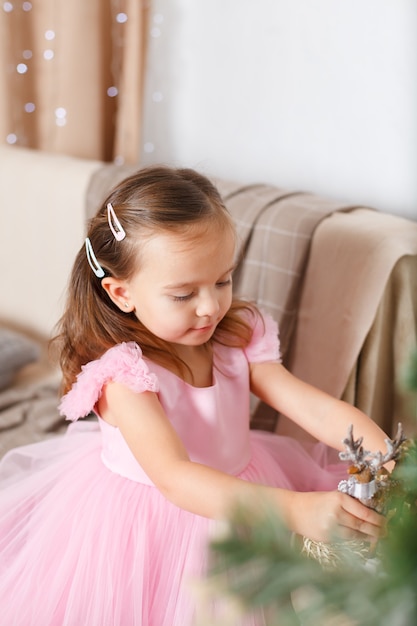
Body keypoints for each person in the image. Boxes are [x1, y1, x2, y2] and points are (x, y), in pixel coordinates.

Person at [0, 166, 392, 625]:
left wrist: (383, 450)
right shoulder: (124, 375)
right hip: (153, 516)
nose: (210, 307)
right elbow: (174, 477)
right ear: (122, 293)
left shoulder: (235, 337)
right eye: (184, 294)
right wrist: (293, 510)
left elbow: (309, 405)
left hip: (241, 487)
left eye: (223, 281)